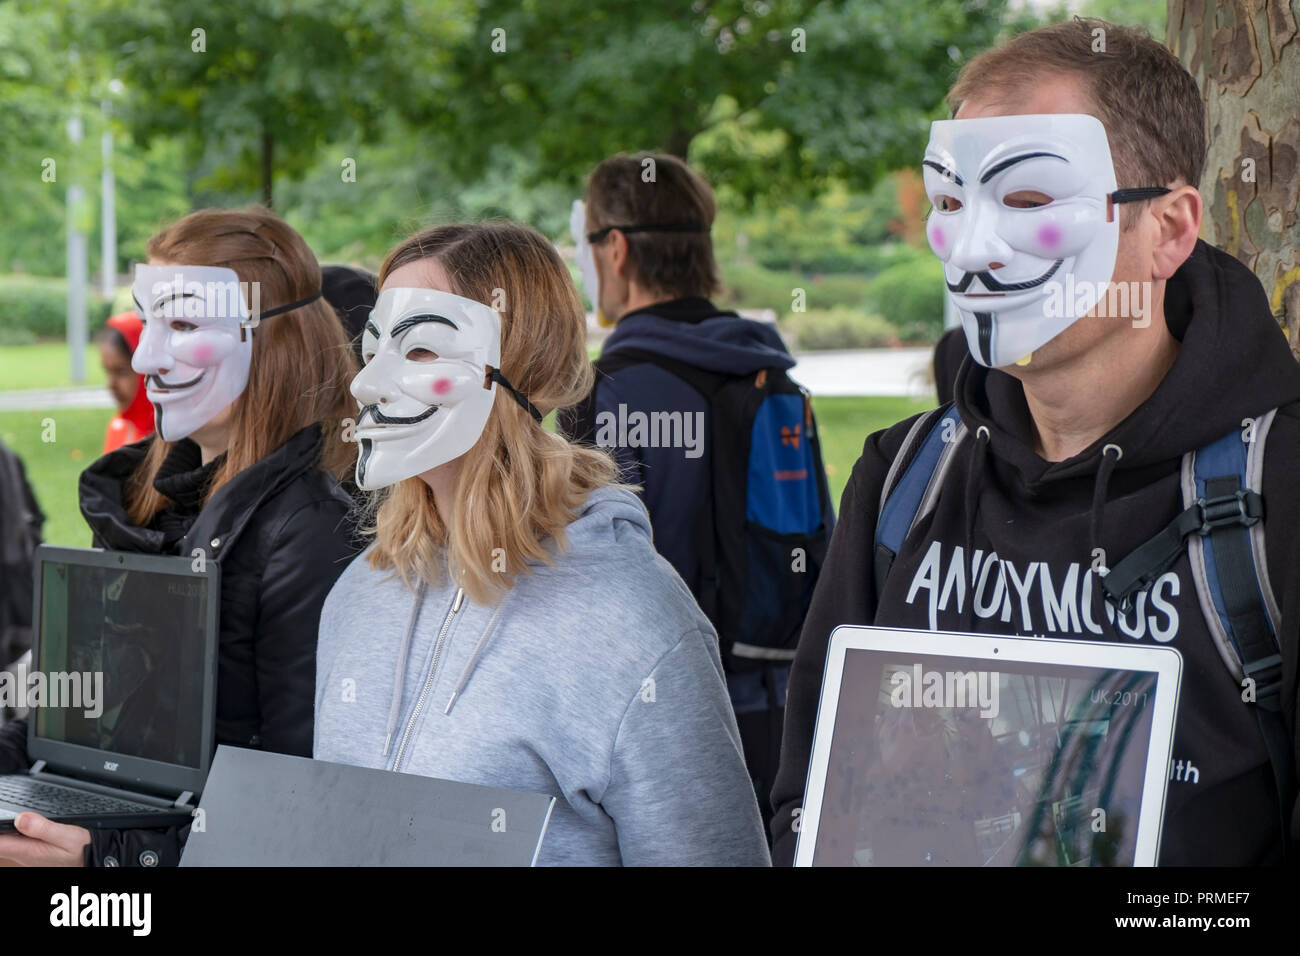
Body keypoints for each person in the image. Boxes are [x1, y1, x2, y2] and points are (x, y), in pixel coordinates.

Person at [770, 18, 1300, 866]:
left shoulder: (1279, 495)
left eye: (1025, 201)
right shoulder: (905, 477)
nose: (972, 252)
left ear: (1167, 229)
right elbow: (813, 791)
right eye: (949, 203)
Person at [314, 221, 770, 866]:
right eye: (373, 349)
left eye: (418, 351)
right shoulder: (362, 590)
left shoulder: (629, 618)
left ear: (519, 365)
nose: (366, 385)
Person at [0, 206, 360, 867]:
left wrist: (108, 856)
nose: (144, 357)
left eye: (185, 323)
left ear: (273, 341)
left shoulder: (309, 534)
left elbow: (292, 801)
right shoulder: (145, 496)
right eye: (149, 321)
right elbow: (74, 701)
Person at [557, 153, 834, 834]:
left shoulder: (605, 391)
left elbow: (588, 582)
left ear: (614, 249)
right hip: (783, 705)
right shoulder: (770, 374)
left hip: (659, 720)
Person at [97, 310, 155, 453]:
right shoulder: (119, 426)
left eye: (121, 372)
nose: (111, 385)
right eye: (107, 371)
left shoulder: (173, 440)